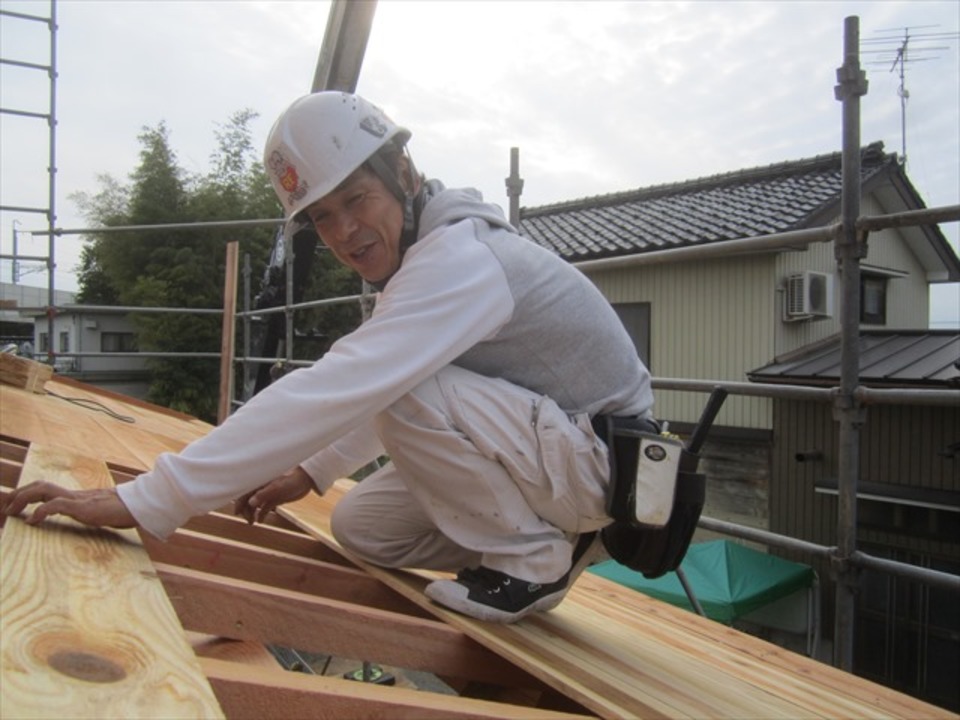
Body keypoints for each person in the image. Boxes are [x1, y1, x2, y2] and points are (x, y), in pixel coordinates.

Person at [1, 92, 655, 623]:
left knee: (388, 385)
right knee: (364, 528)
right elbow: (395, 383)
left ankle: (531, 557)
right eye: (321, 217)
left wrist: (148, 500)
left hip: (602, 465)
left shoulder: (460, 261)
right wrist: (313, 471)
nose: (343, 232)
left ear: (403, 174)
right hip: (555, 458)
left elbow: (347, 387)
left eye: (356, 199)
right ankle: (550, 543)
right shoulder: (422, 264)